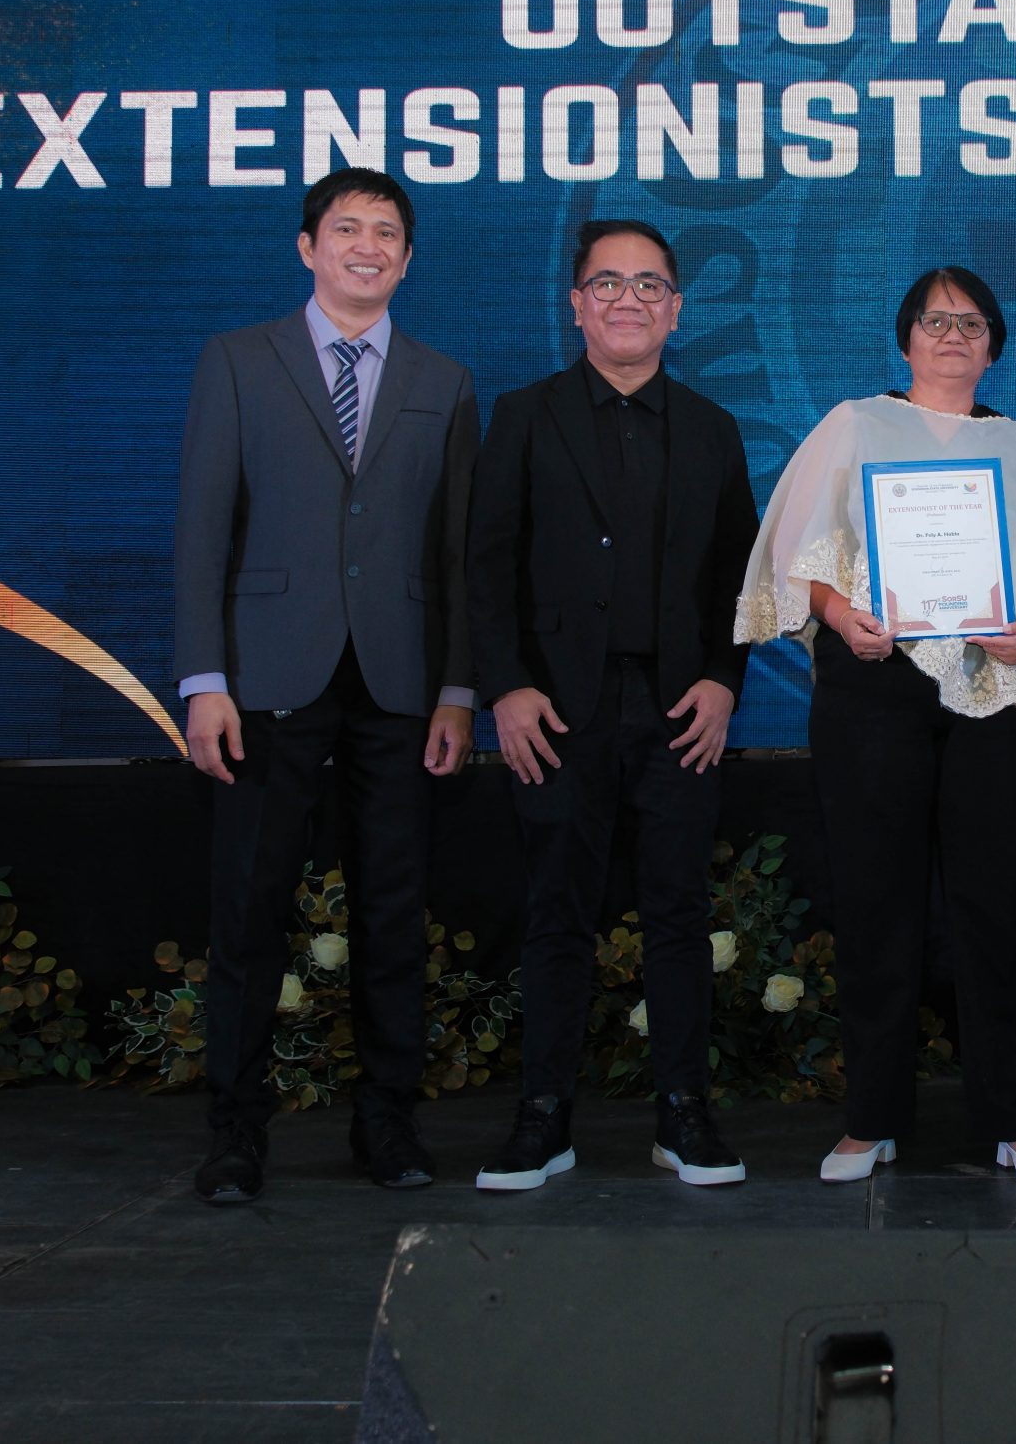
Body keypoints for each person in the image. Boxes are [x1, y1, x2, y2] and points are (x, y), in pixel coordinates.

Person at [738, 266, 1016, 1188]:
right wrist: (838, 612)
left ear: (994, 344)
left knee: (999, 908)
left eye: (972, 323)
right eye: (936, 321)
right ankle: (871, 1118)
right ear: (904, 338)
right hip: (873, 686)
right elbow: (802, 552)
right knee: (873, 903)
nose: (952, 336)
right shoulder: (854, 424)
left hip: (994, 693)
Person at [174, 166, 478, 1205]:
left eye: (386, 232)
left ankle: (386, 1122)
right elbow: (202, 529)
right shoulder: (237, 359)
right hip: (265, 675)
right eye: (346, 228)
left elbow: (456, 555)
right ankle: (235, 1132)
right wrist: (204, 678)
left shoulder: (445, 379)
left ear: (408, 258)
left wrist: (458, 690)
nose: (366, 246)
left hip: (402, 682)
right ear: (307, 247)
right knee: (249, 908)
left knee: (393, 911)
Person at [466, 218, 758, 1191]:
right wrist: (506, 687)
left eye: (648, 286)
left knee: (677, 912)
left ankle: (685, 1113)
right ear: (576, 304)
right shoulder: (524, 415)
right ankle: (542, 1118)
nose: (627, 299)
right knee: (556, 912)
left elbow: (739, 575)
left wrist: (723, 678)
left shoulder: (713, 428)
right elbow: (486, 565)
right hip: (555, 709)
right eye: (607, 284)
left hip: (681, 709)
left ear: (676, 310)